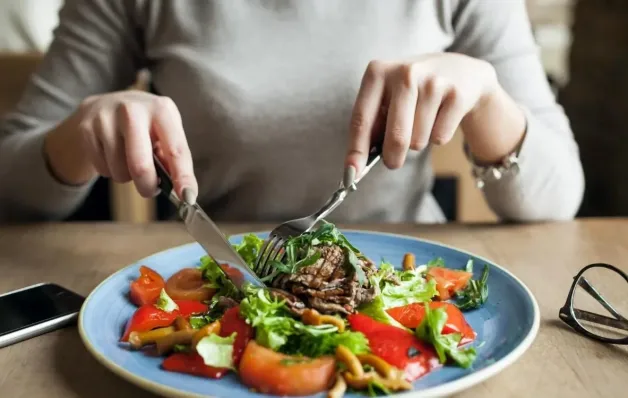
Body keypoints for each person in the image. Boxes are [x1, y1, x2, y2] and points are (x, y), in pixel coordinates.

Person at [0, 0, 584, 224]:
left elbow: (560, 197)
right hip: (213, 290)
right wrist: (81, 135)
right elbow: (10, 185)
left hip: (408, 294)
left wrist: (487, 101)